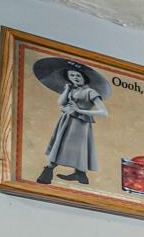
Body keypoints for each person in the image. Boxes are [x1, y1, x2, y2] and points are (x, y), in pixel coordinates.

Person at [32, 57, 108, 186]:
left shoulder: (90, 92)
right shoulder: (72, 90)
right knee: (63, 144)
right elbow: (61, 102)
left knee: (66, 146)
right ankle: (81, 175)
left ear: (84, 77)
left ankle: (47, 172)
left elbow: (104, 112)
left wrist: (79, 110)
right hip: (66, 121)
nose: (75, 78)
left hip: (79, 124)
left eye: (78, 75)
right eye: (72, 75)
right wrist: (67, 90)